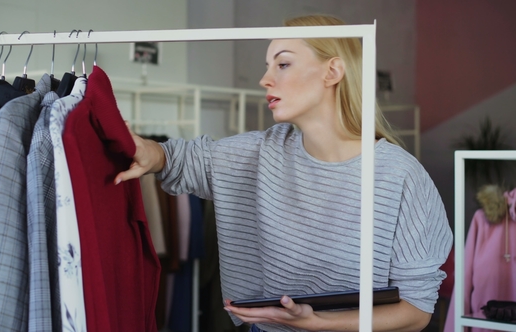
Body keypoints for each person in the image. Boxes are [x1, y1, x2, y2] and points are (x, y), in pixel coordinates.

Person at [115, 14, 452, 332]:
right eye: (268, 66)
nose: (265, 79)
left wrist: (318, 323)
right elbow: (184, 159)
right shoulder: (263, 153)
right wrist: (151, 151)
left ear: (332, 71)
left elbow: (416, 310)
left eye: (284, 63)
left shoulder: (400, 176)